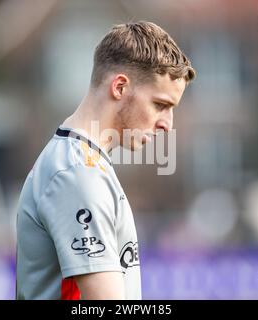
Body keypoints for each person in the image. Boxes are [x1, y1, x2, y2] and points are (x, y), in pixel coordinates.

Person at [16, 21, 195, 300]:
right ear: (120, 87)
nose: (167, 125)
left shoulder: (84, 163)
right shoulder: (78, 174)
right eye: (160, 105)